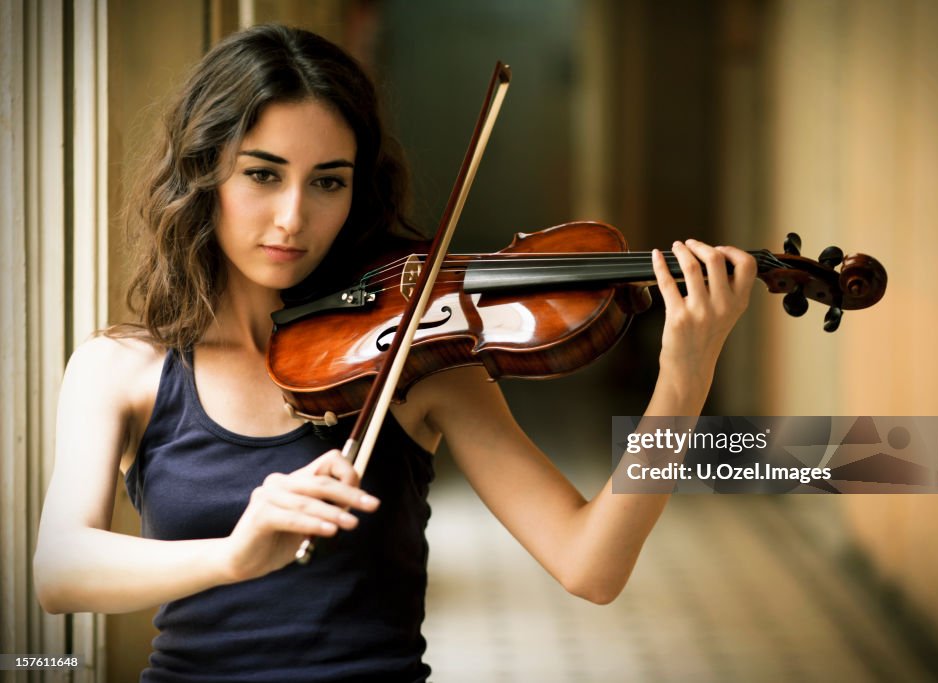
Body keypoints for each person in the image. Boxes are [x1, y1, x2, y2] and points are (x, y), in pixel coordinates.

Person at [33, 24, 756, 682]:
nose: (293, 216)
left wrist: (683, 383)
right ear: (203, 173)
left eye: (328, 181)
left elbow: (589, 564)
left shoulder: (415, 359)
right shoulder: (121, 367)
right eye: (262, 173)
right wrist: (234, 553)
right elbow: (59, 570)